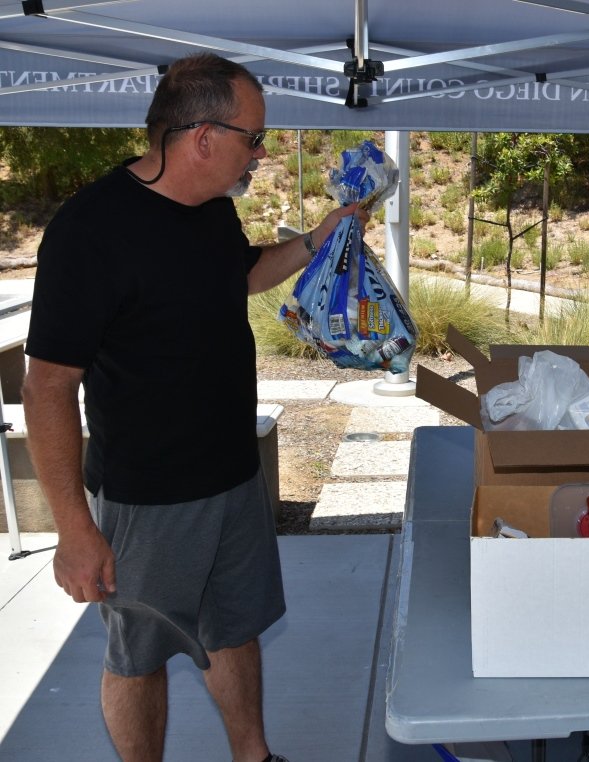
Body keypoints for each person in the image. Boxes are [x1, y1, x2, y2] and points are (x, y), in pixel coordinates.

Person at [21, 53, 367, 762]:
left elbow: (242, 273)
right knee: (139, 656)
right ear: (203, 137)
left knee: (235, 628)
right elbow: (46, 386)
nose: (261, 154)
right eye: (254, 138)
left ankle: (254, 757)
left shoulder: (212, 208)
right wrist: (74, 529)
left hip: (233, 476)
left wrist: (317, 239)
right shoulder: (91, 231)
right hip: (148, 497)